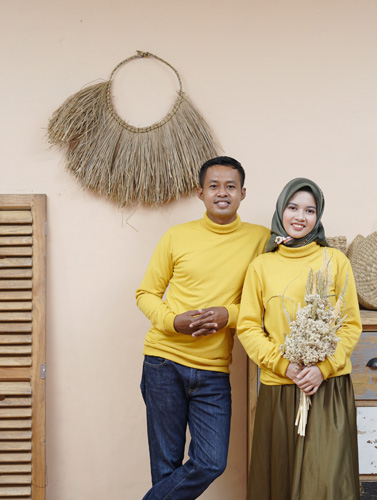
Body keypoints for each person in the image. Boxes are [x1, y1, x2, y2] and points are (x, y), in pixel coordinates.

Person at [136, 156, 269, 500]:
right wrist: (172, 321)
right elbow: (146, 293)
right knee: (166, 467)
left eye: (230, 186)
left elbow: (266, 299)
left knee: (210, 462)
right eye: (213, 186)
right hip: (163, 362)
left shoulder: (260, 239)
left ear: (242, 193)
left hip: (213, 370)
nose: (222, 193)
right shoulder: (176, 236)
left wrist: (229, 315)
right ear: (200, 193)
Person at [237, 178, 362, 500]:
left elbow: (350, 325)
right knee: (279, 482)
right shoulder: (261, 266)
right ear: (281, 210)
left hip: (327, 388)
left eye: (310, 210)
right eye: (293, 207)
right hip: (279, 389)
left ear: (318, 217)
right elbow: (248, 327)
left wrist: (323, 369)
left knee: (326, 484)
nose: (300, 216)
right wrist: (285, 366)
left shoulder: (335, 261)